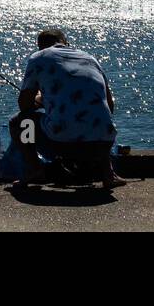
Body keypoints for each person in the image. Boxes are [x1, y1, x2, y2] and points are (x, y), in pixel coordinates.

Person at [15, 28, 125, 188]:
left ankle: (34, 169)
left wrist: (40, 101)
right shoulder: (90, 58)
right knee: (98, 118)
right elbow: (109, 104)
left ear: (40, 47)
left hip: (63, 144)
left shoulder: (38, 58)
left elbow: (24, 105)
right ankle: (108, 173)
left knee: (21, 122)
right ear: (66, 43)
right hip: (104, 143)